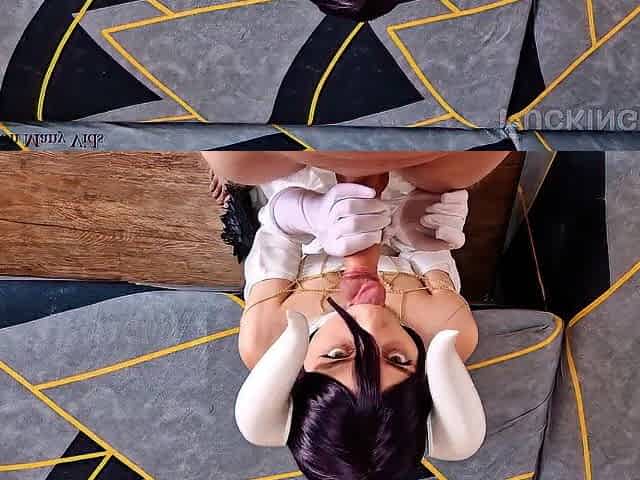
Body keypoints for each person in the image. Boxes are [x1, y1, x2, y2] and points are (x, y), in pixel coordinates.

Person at [202, 153, 508, 479]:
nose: (370, 322)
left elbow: (277, 232)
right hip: (405, 176)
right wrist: (415, 222)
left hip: (304, 185)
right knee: (463, 166)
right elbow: (427, 246)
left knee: (234, 164)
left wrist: (310, 213)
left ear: (300, 375)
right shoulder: (447, 330)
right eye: (397, 358)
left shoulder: (266, 337)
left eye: (337, 355)